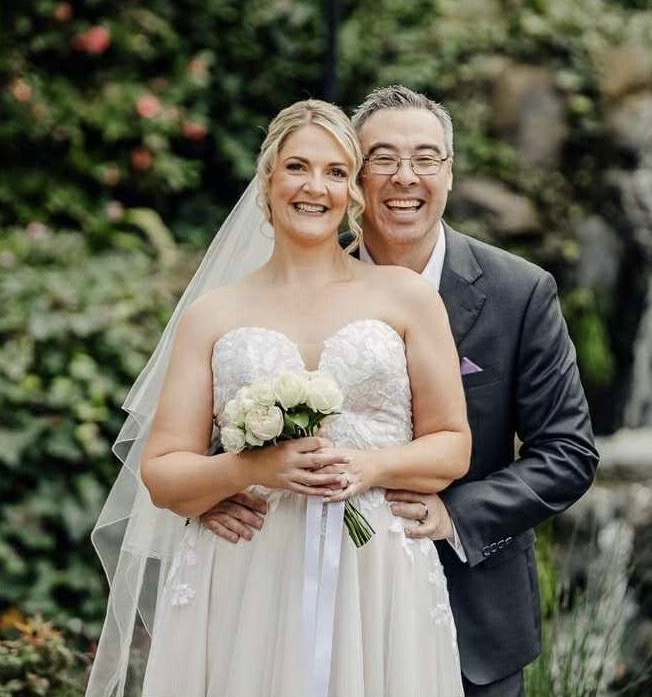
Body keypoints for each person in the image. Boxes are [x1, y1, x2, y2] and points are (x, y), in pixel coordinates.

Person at [202, 85, 599, 696]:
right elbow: (234, 414)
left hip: (474, 622)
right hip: (317, 610)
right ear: (355, 177)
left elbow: (568, 453)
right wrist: (216, 490)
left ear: (450, 172)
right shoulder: (296, 286)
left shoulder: (520, 293)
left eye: (425, 159)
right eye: (382, 158)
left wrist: (455, 515)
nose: (404, 177)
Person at [86, 99, 471, 697]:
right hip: (247, 571)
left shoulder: (408, 298)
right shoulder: (213, 314)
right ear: (266, 180)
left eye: (336, 172)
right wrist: (250, 468)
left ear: (354, 191)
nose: (315, 187)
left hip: (376, 572)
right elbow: (162, 473)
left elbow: (451, 447)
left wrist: (370, 466)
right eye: (297, 167)